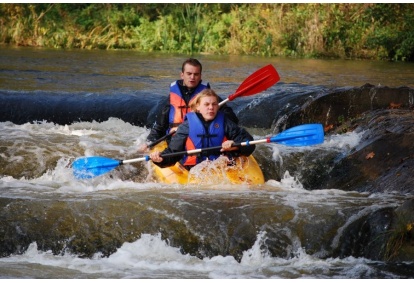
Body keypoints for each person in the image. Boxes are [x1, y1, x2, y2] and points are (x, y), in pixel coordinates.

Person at [140, 58, 238, 151]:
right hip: (176, 142)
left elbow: (232, 121)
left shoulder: (210, 99)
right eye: (189, 74)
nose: (192, 77)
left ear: (200, 76)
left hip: (202, 141)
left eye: (196, 74)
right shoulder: (171, 99)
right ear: (182, 75)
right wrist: (148, 143)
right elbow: (159, 127)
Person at [149, 89, 255, 170]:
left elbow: (250, 144)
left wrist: (235, 145)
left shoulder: (226, 123)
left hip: (222, 167)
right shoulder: (186, 126)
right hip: (194, 169)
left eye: (214, 104)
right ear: (198, 107)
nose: (211, 107)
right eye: (206, 104)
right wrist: (160, 160)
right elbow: (173, 153)